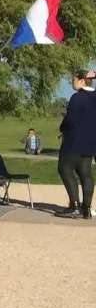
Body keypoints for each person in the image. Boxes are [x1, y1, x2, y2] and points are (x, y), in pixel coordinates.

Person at [55, 69, 96, 219]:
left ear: (81, 80)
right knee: (85, 173)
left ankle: (74, 205)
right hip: (91, 142)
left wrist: (62, 127)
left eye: (74, 79)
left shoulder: (77, 98)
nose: (72, 83)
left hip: (74, 141)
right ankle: (86, 208)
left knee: (65, 169)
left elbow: (70, 120)